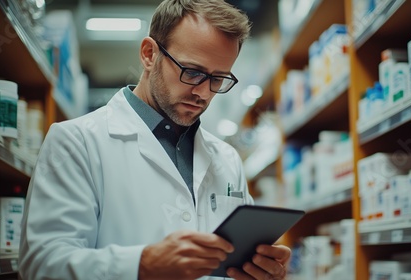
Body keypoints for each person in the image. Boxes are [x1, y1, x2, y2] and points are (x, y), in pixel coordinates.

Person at [18, 0, 291, 279]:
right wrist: (142, 263)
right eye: (193, 72)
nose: (204, 93)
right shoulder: (76, 142)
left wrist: (262, 271)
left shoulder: (227, 158)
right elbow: (41, 265)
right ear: (149, 54)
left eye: (218, 79)